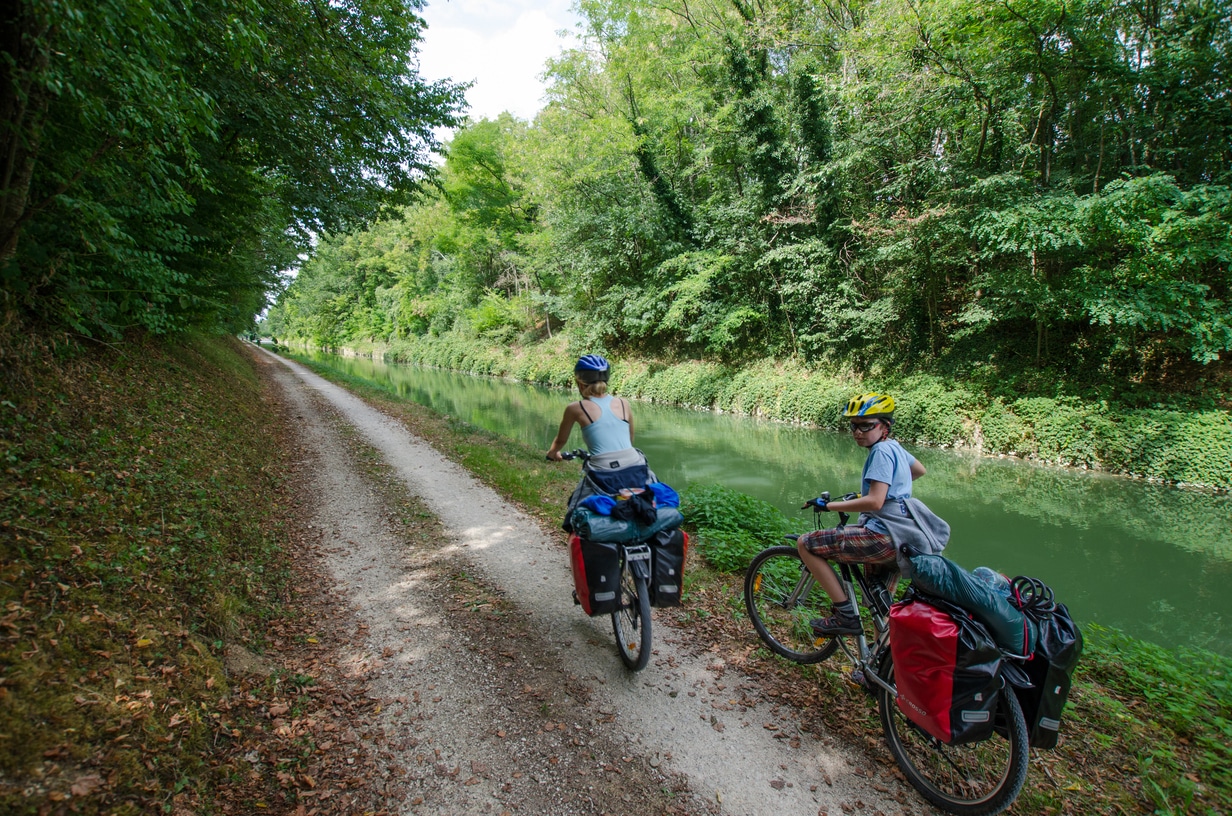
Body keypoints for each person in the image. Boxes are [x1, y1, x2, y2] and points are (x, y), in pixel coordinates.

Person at [797, 392, 937, 636]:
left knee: (806, 544)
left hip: (882, 537)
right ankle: (881, 663)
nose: (857, 432)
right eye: (853, 426)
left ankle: (845, 615)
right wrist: (889, 486)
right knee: (878, 604)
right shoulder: (894, 447)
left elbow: (874, 502)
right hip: (903, 538)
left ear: (885, 426)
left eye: (866, 426)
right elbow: (919, 470)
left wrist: (828, 506)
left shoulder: (881, 452)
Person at [546, 354, 635, 460]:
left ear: (581, 384)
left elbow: (561, 441)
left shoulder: (575, 408)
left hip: (603, 469)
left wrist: (552, 453)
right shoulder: (623, 403)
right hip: (635, 464)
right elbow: (630, 438)